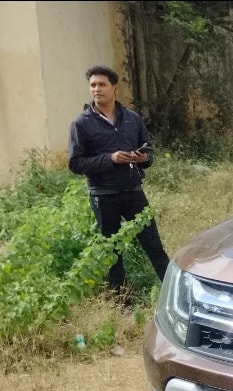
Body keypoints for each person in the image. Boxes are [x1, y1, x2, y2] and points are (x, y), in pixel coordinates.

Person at [68, 64, 170, 303]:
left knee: (154, 246)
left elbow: (149, 152)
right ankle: (121, 301)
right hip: (104, 196)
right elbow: (75, 163)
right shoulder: (81, 124)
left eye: (101, 84)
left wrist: (144, 158)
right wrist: (110, 159)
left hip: (134, 192)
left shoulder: (132, 119)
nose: (96, 89)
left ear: (115, 88)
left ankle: (172, 294)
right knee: (112, 252)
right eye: (92, 85)